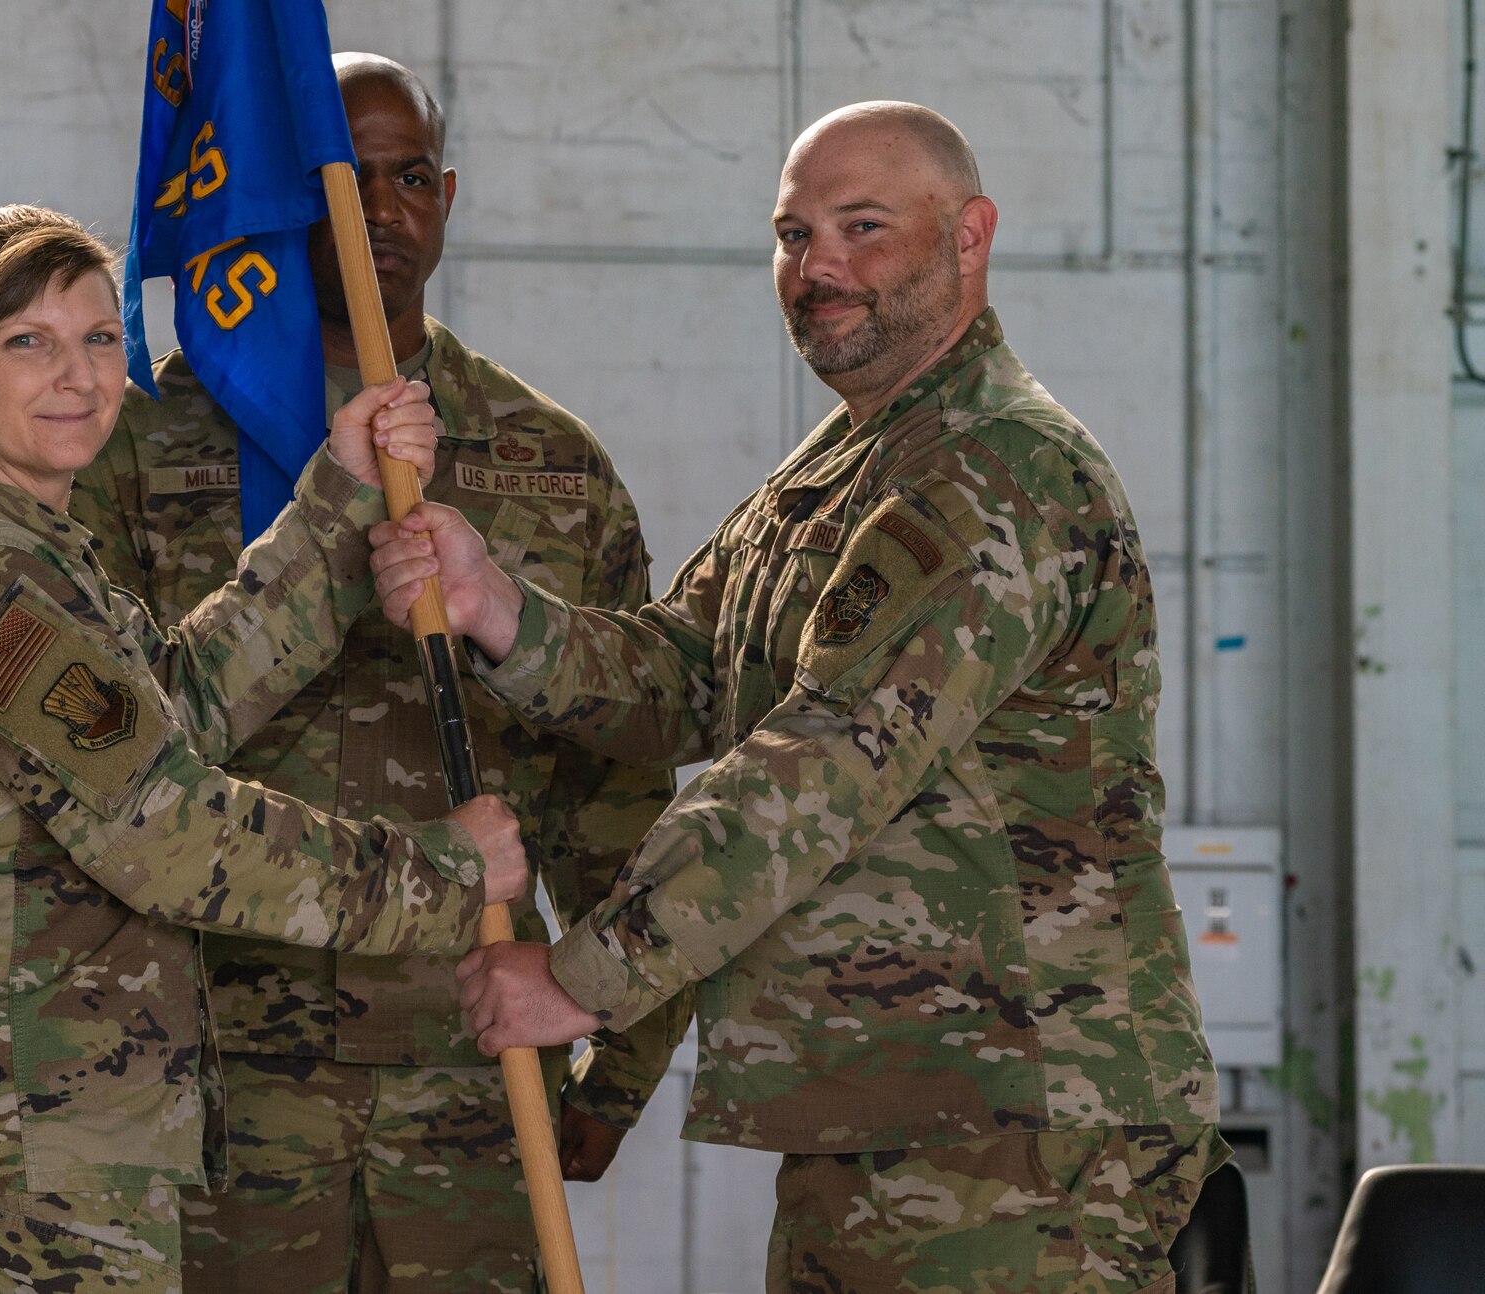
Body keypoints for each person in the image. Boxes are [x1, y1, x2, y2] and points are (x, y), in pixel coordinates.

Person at [368, 103, 1228, 1293]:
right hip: (885, 1111)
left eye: (861, 227)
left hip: (1018, 1132)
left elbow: (814, 769)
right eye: (791, 234)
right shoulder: (839, 470)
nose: (816, 267)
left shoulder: (998, 471)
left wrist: (579, 980)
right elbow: (686, 673)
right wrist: (496, 609)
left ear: (967, 236)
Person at [0, 204, 532, 1294]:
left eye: (98, 339)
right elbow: (166, 828)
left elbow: (171, 709)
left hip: (45, 1126)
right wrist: (445, 873)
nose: (78, 377)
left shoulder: (24, 559)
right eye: (25, 341)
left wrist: (337, 496)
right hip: (18, 1141)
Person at [72, 53, 687, 1294]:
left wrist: (615, 1063)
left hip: (469, 1080)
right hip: (217, 1089)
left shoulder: (547, 462)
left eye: (409, 178)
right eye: (346, 180)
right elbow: (105, 762)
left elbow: (620, 778)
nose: (381, 212)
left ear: (446, 197)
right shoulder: (152, 448)